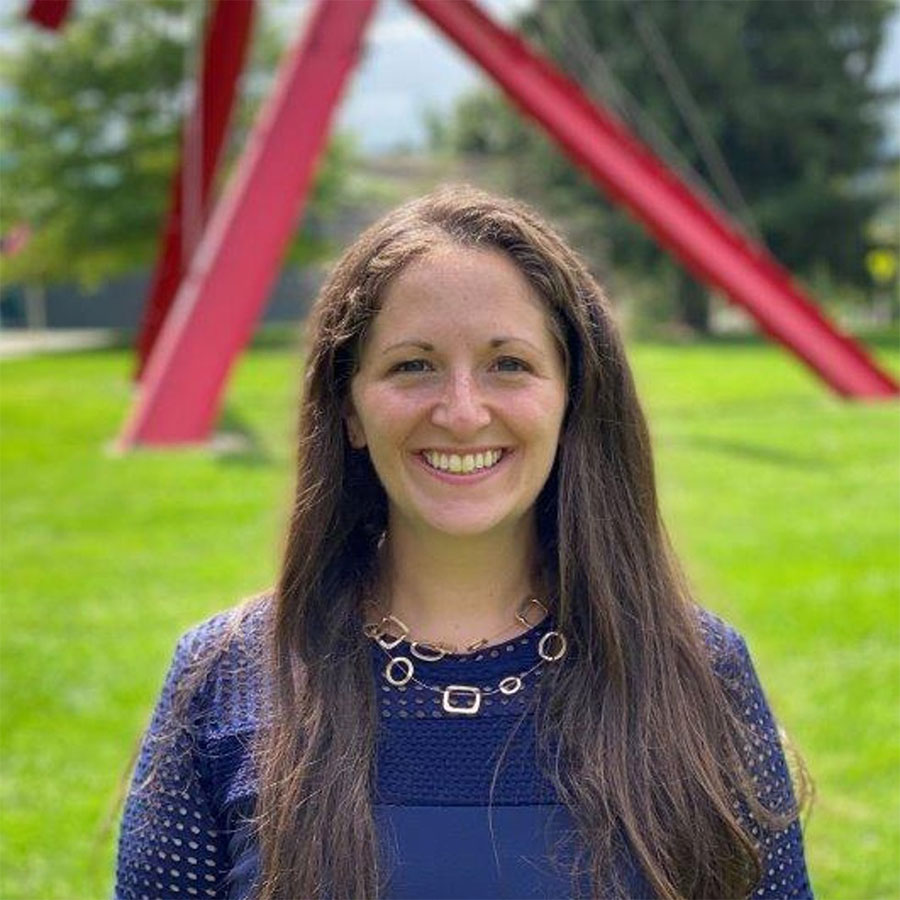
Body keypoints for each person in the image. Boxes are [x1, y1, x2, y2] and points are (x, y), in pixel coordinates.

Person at [115, 186, 813, 900]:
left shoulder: (699, 672)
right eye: (412, 365)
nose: (461, 411)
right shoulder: (226, 675)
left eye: (508, 363)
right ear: (350, 409)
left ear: (572, 398)